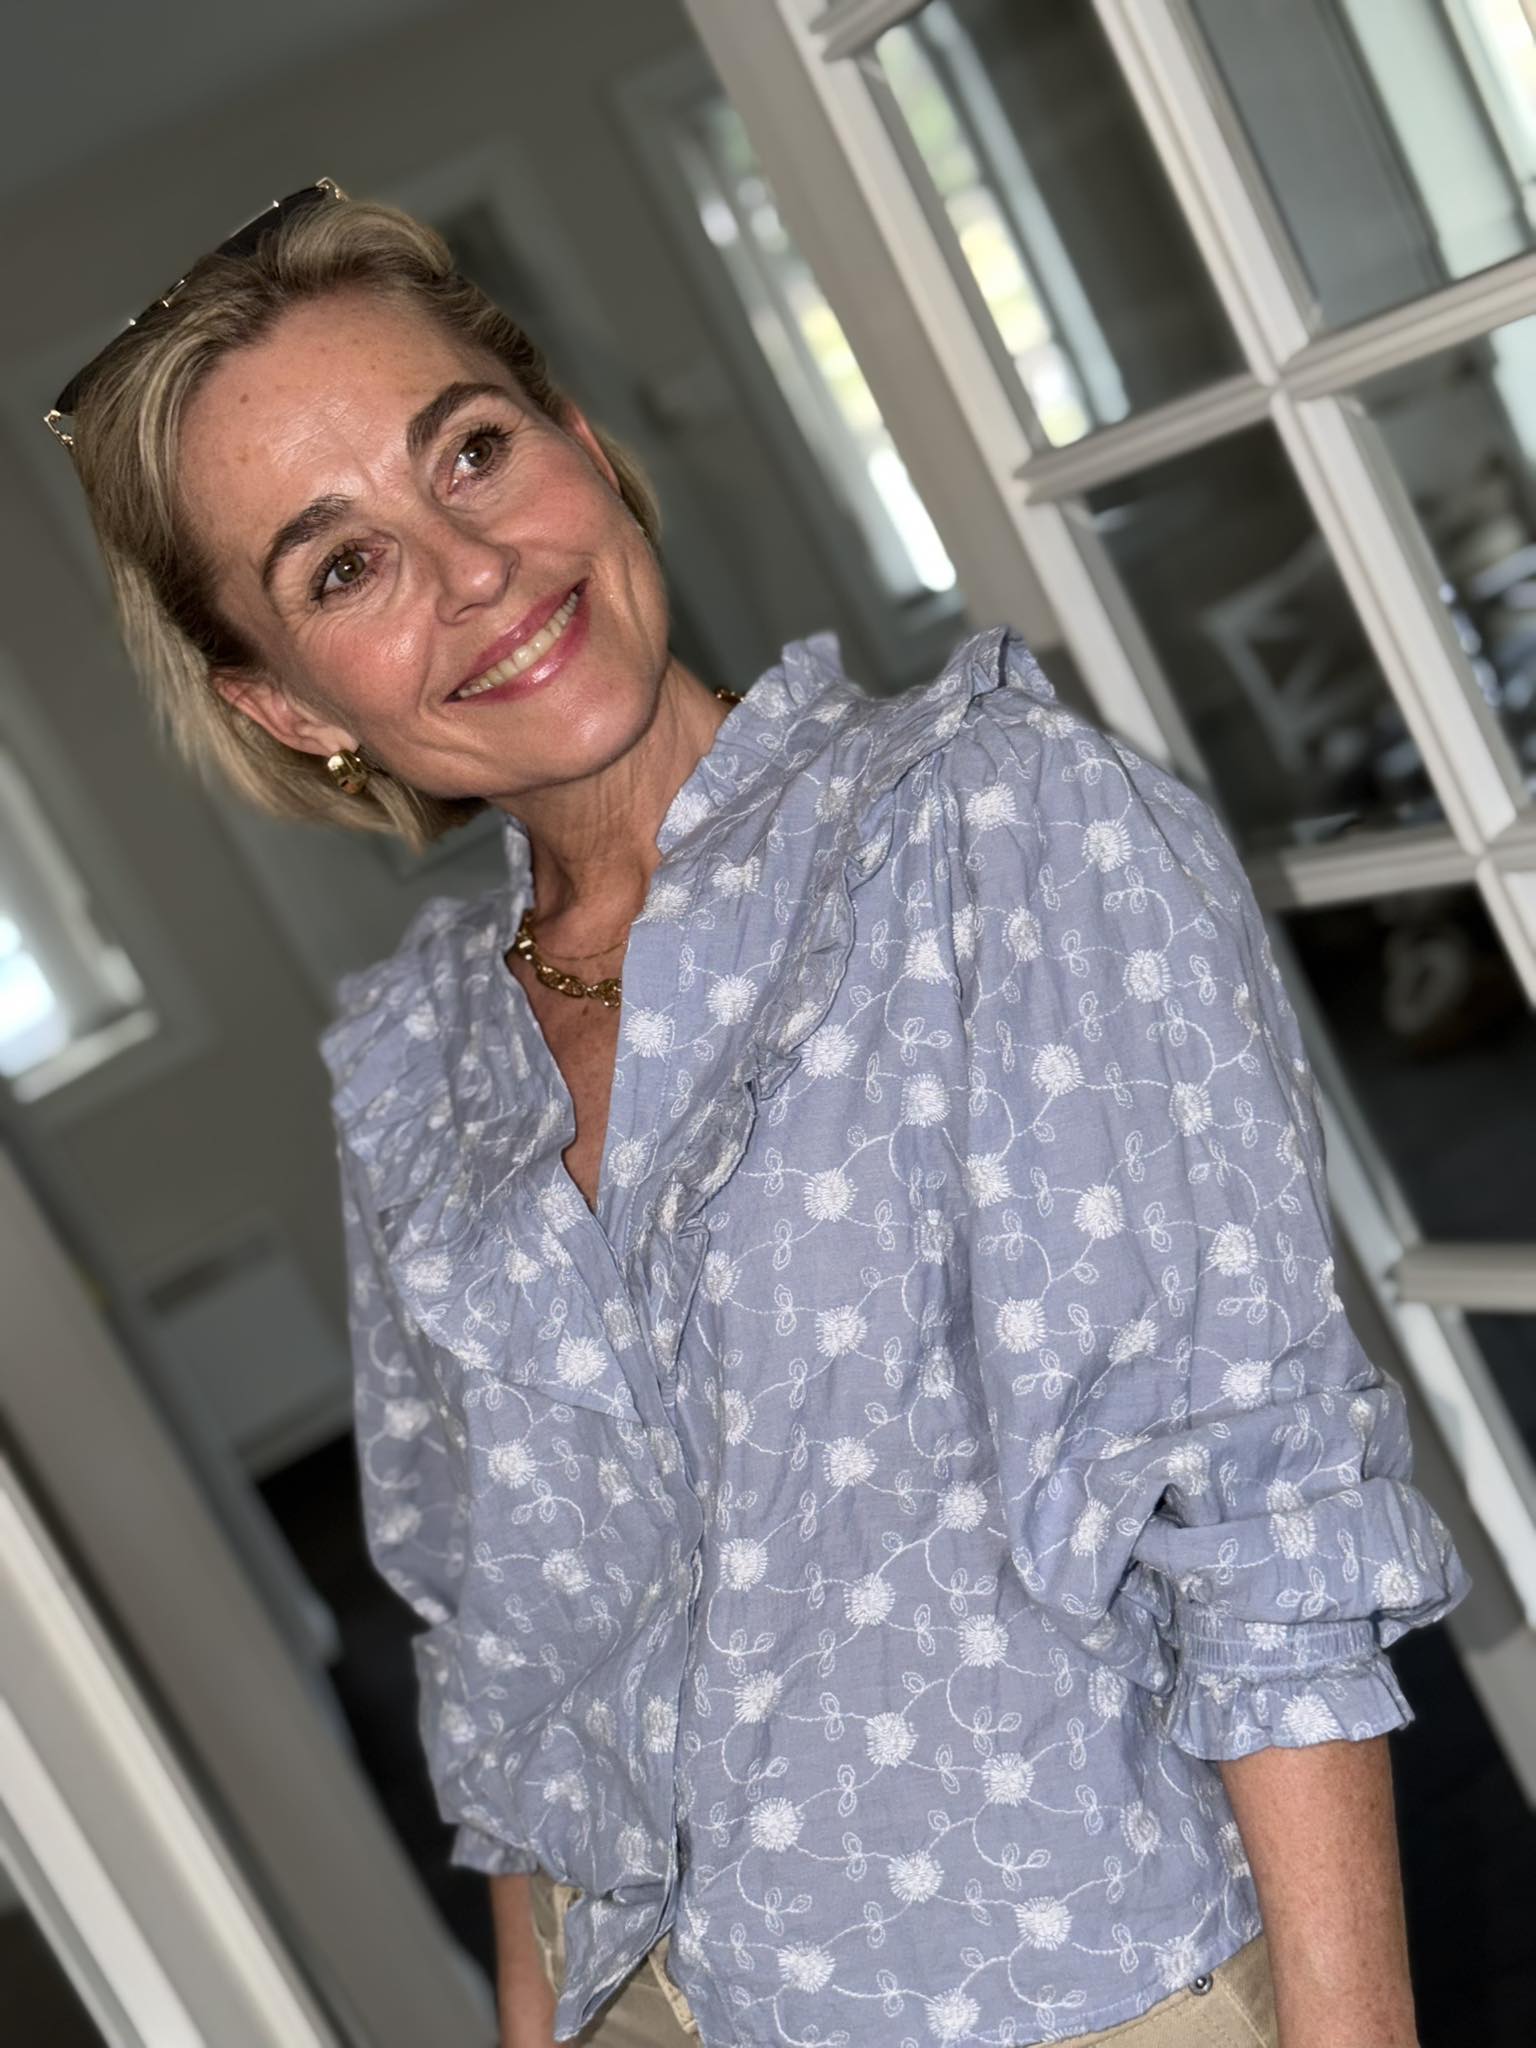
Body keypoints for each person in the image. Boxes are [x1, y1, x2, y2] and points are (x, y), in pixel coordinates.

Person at [53, 180, 1467, 2048]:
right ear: (288, 706)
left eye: (470, 451)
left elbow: (1261, 1501)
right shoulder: (411, 1061)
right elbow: (502, 1658)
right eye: (342, 569)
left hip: (1057, 1985)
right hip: (646, 1999)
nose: (472, 568)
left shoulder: (993, 829)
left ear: (579, 444)